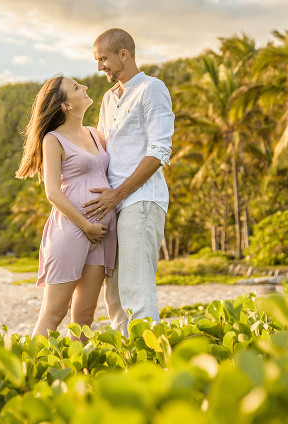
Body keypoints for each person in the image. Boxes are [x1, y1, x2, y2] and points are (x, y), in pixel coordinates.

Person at [83, 28, 174, 335]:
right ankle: (128, 362)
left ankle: (150, 366)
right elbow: (101, 149)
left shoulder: (152, 88)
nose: (100, 67)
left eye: (103, 59)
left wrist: (117, 194)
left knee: (137, 289)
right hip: (114, 207)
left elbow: (159, 151)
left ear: (124, 54)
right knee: (116, 294)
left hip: (141, 201)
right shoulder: (109, 99)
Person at [16, 74, 118, 338]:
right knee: (54, 313)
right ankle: (29, 372)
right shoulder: (53, 139)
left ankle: (78, 374)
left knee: (85, 315)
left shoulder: (96, 135)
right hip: (73, 230)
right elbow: (52, 192)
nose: (84, 87)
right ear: (65, 105)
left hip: (101, 234)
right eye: (75, 87)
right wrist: (86, 226)